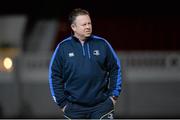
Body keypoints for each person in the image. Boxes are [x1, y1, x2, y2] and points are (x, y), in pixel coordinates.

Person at [49, 8, 122, 119]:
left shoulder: (102, 44)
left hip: (102, 107)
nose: (88, 27)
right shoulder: (63, 48)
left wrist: (113, 97)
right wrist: (62, 104)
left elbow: (115, 69)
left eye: (89, 23)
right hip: (74, 109)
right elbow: (54, 76)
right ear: (73, 27)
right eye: (84, 24)